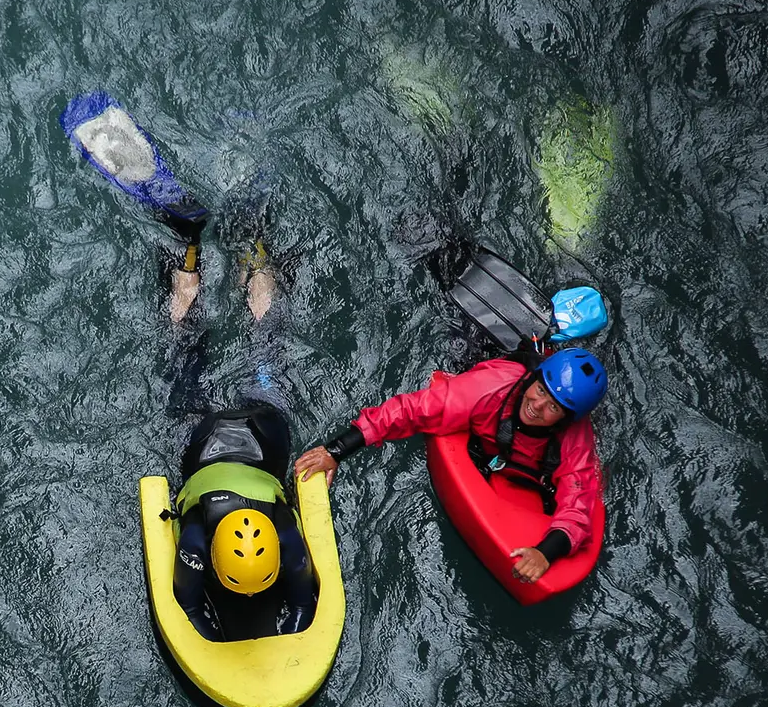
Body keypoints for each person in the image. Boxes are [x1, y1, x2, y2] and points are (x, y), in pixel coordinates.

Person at [294, 343, 607, 586]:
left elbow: (579, 507)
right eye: (539, 390)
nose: (536, 406)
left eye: (553, 406)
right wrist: (337, 450)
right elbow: (410, 411)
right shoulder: (488, 389)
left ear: (567, 418)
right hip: (482, 383)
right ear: (534, 379)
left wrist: (545, 552)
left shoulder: (574, 441)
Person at [158, 203, 318, 641]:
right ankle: (242, 249)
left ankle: (196, 253)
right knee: (199, 353)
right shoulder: (281, 538)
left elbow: (192, 606)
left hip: (251, 431)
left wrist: (217, 638)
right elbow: (301, 604)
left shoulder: (199, 538)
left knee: (220, 349)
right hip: (213, 438)